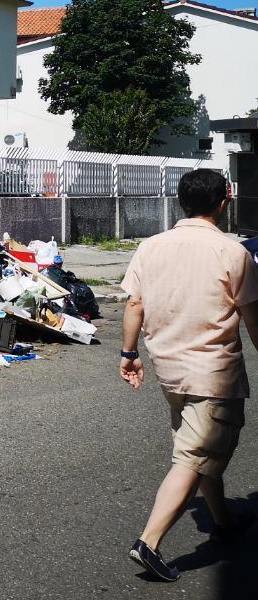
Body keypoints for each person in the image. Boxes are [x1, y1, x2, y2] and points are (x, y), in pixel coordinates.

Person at [120, 167, 258, 582]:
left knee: (199, 449)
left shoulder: (151, 246)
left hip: (169, 371)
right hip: (212, 373)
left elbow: (133, 305)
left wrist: (128, 353)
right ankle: (150, 542)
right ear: (223, 202)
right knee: (194, 456)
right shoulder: (233, 253)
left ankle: (222, 519)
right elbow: (253, 317)